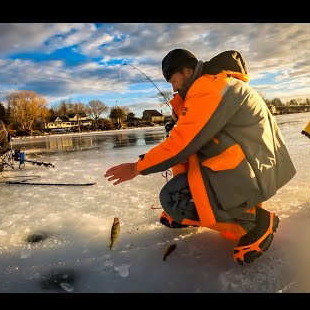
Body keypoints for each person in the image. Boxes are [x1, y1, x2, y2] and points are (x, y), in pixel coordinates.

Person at [104, 48, 296, 265]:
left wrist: (136, 168)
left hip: (250, 170)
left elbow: (182, 144)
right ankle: (195, 211)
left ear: (186, 71)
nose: (173, 87)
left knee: (172, 197)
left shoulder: (210, 88)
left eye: (173, 80)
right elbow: (189, 145)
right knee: (177, 199)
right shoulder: (212, 85)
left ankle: (253, 221)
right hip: (248, 166)